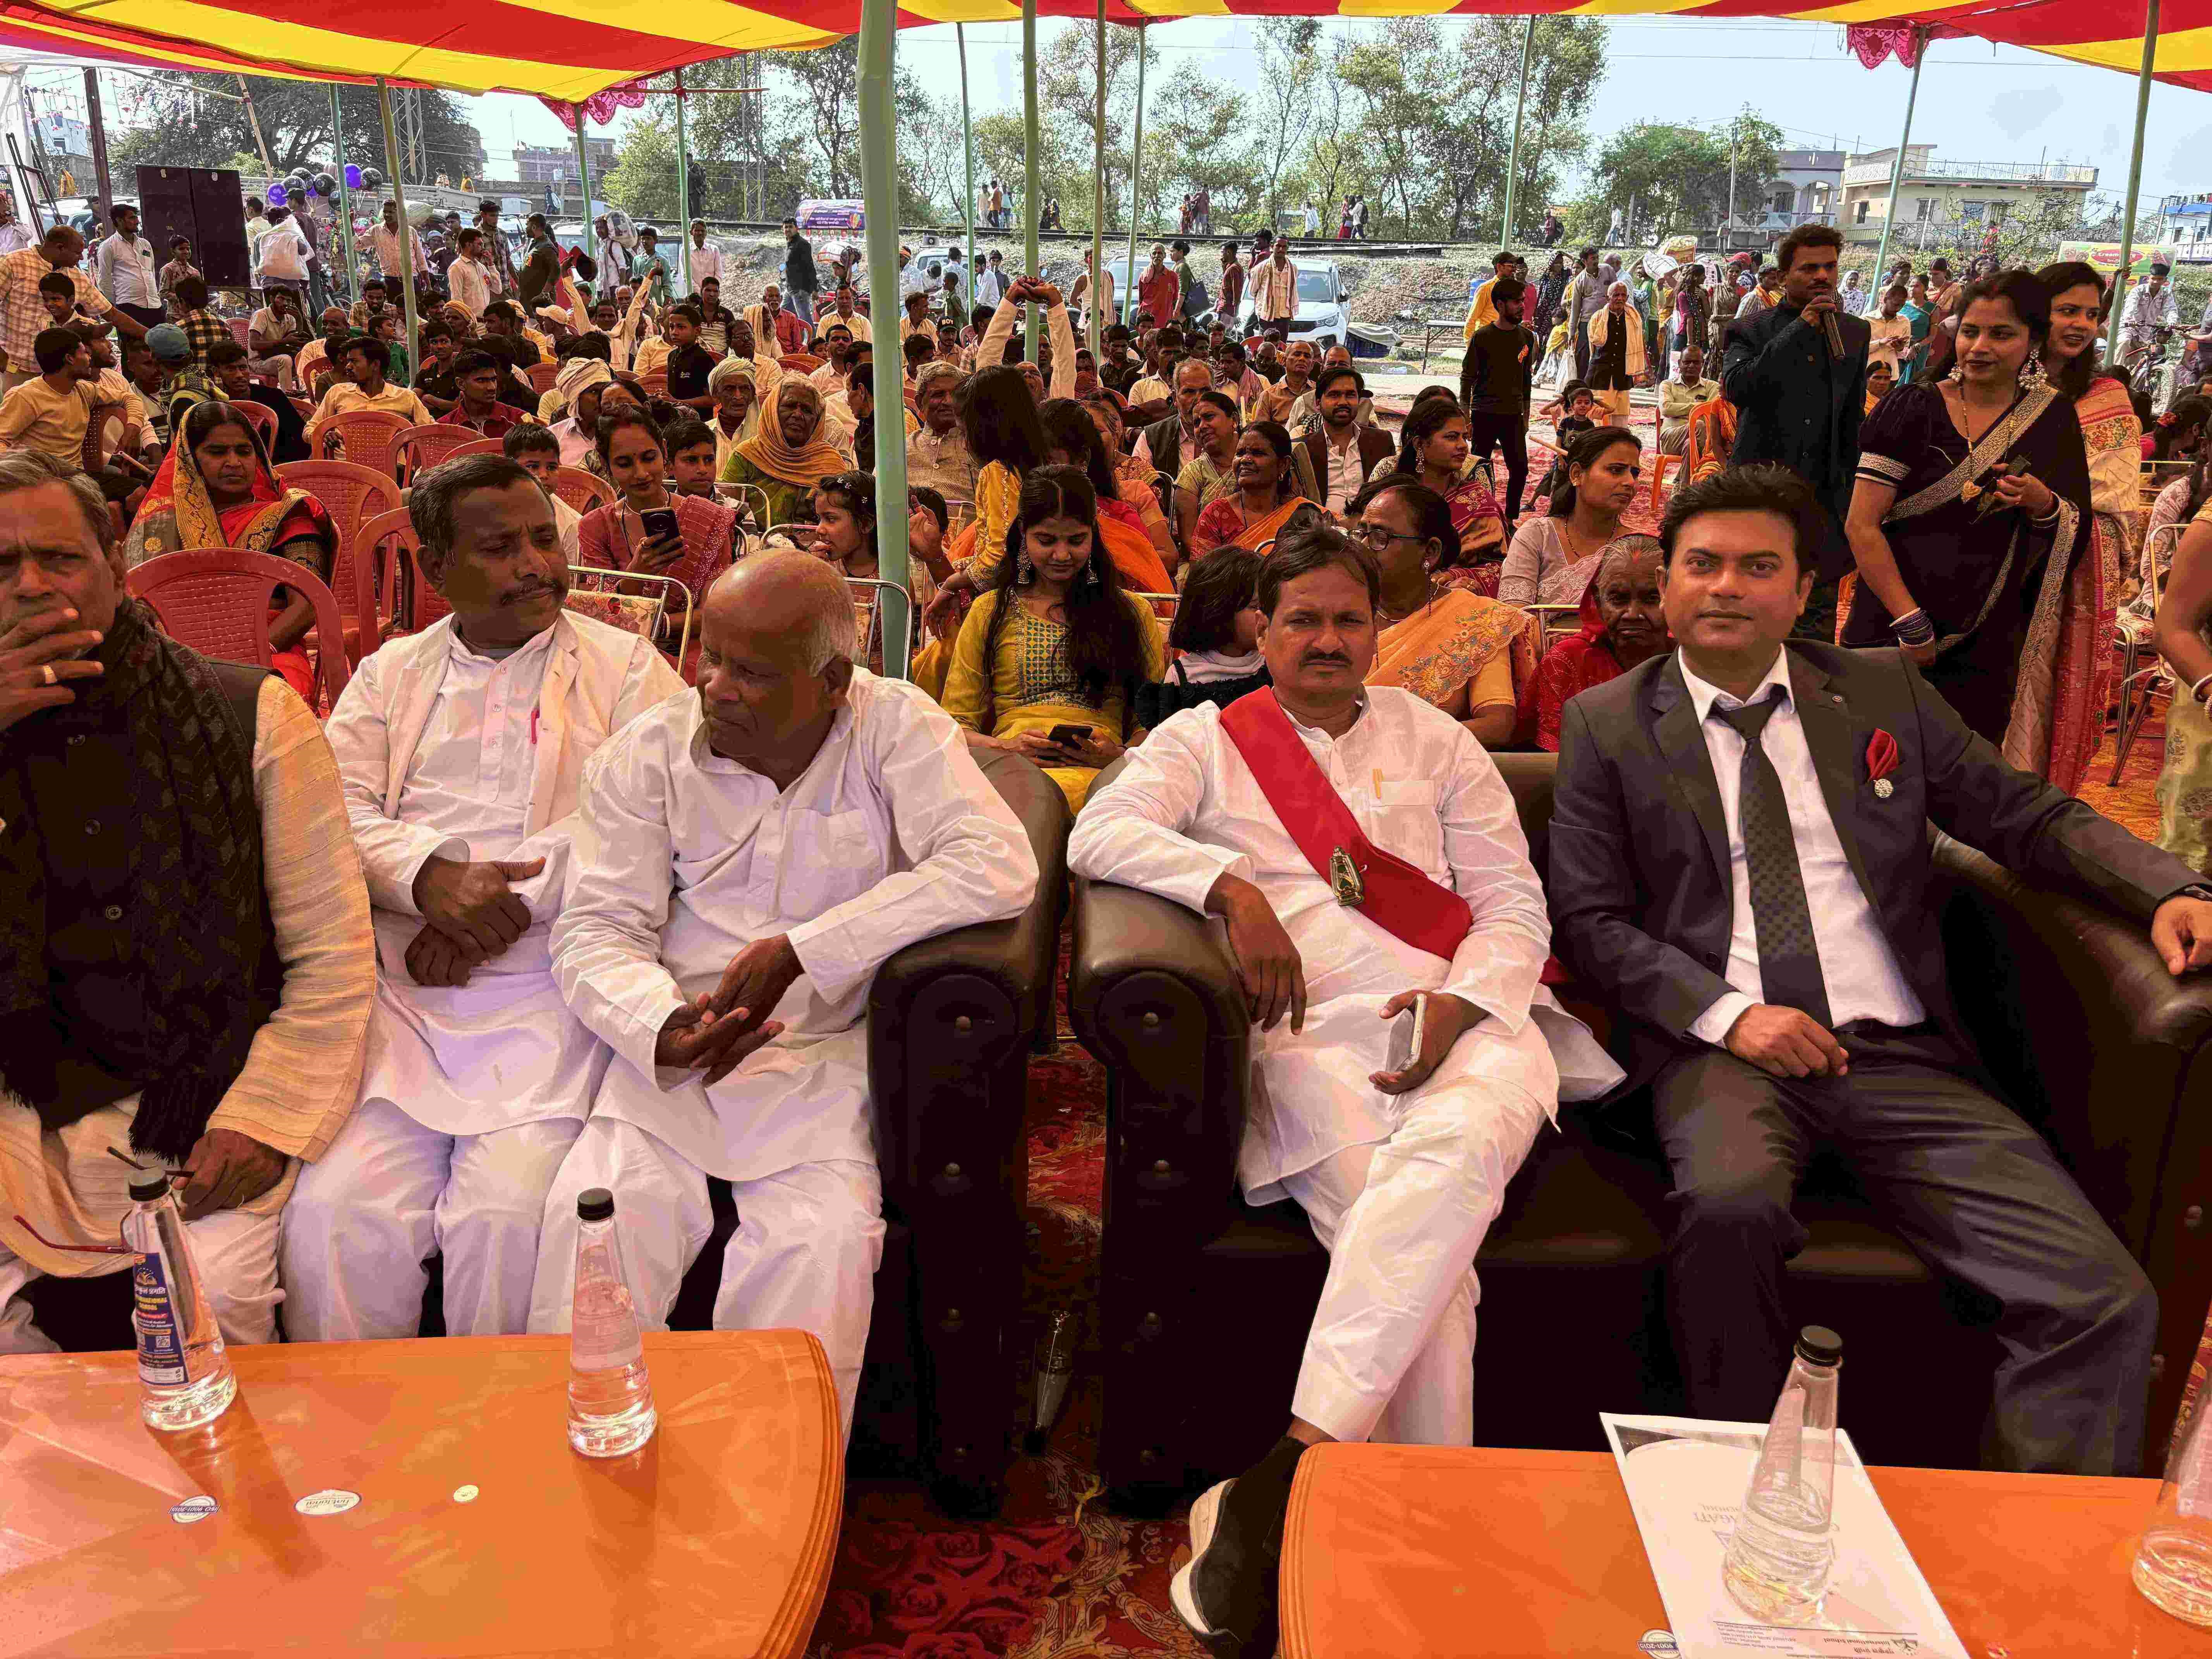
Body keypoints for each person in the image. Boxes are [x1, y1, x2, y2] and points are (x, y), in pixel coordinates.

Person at [1547, 462, 2212, 1477]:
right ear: (1667, 583)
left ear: (1805, 590)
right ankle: (1738, 1491)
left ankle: (2030, 1549)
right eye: (1703, 564)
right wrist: (1730, 1016)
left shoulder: (1877, 690)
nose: (1727, 586)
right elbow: (1591, 922)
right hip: (1726, 1054)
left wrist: (2165, 885)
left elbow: (2022, 813)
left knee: (2098, 1294)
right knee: (1729, 1208)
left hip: (1900, 1056)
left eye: (1758, 567)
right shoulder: (1608, 724)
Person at [1068, 523, 1613, 1654]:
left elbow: (1513, 902)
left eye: (1348, 620)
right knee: (1430, 1270)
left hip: (1470, 1021)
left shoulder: (1437, 739)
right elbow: (1096, 831)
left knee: (1449, 1157)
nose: (1326, 640)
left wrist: (1466, 1001)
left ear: (1378, 630)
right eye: (1302, 619)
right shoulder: (1206, 741)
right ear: (1259, 629)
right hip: (1311, 1042)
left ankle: (1286, 1485)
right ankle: (1418, 1549)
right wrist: (1229, 888)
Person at [527, 550, 1037, 1433]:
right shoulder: (647, 752)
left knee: (818, 1250)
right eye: (710, 656)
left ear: (833, 681)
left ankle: (771, 1492)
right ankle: (583, 1475)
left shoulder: (893, 727)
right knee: (593, 1233)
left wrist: (807, 950)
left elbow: (996, 861)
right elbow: (597, 926)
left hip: (823, 1058)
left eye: (751, 672)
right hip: (671, 1060)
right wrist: (659, 1024)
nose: (714, 687)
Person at [287, 455, 685, 1342]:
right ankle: (361, 1426)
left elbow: (651, 817)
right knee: (334, 1219)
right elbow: (328, 805)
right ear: (437, 569)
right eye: (501, 548)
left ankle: (497, 1425)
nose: (535, 566)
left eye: (544, 539)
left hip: (552, 990)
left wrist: (485, 915)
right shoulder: (390, 674)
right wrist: (425, 876)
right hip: (404, 996)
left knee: (504, 1218)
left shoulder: (626, 669)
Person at [0, 448, 374, 1351]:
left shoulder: (252, 716)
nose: (30, 585)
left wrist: (262, 1121)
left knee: (212, 1311)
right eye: (1, 564)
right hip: (22, 1106)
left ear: (114, 564)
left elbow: (331, 960)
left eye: (59, 558)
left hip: (208, 1101)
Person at [1843, 269, 2094, 771]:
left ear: (2034, 342)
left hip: (1987, 638)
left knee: (1964, 780)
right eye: (1970, 332)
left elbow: (2075, 525)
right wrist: (1911, 623)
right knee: (1872, 775)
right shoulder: (1913, 407)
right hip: (1891, 627)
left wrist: (2042, 502)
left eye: (2001, 335)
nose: (1979, 347)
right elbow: (1861, 525)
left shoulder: (2053, 418)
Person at [942, 465, 1166, 810]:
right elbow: (954, 726)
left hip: (1108, 779)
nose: (1062, 555)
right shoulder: (990, 610)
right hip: (1013, 773)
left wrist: (1119, 755)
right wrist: (1008, 748)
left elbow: (1153, 724)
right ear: (1024, 534)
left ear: (1093, 535)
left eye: (1076, 540)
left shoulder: (1132, 612)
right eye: (1046, 541)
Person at [123, 401, 340, 702]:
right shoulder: (163, 524)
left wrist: (242, 657)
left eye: (244, 451)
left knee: (272, 704)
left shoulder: (288, 515)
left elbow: (306, 607)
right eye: (217, 452)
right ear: (190, 460)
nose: (234, 462)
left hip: (269, 652)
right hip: (179, 654)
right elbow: (136, 608)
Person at [1720, 224, 1870, 640]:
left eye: (1829, 267)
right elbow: (1738, 388)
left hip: (1823, 499)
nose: (1822, 276)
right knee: (1750, 611)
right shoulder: (1750, 328)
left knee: (1813, 625)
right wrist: (1799, 330)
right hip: (1759, 493)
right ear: (1784, 275)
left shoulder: (1854, 332)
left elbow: (1852, 416)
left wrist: (1852, 496)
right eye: (1809, 268)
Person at [579, 408, 738, 636]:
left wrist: (653, 625)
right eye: (624, 464)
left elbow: (714, 612)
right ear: (606, 466)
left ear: (664, 452)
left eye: (649, 458)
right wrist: (638, 571)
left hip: (688, 645)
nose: (641, 474)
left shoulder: (710, 517)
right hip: (617, 645)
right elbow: (599, 613)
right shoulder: (596, 526)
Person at [1519, 533, 1666, 752]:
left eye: (1652, 598)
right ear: (1598, 600)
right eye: (1618, 599)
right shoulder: (1567, 661)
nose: (1633, 614)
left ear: (1673, 597)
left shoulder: (1693, 660)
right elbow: (1551, 760)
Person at [1499, 426, 1642, 607]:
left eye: (1635, 473)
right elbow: (1514, 613)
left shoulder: (1639, 547)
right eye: (1616, 470)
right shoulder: (1538, 536)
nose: (1630, 482)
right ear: (1577, 474)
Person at [1370, 392, 1508, 579]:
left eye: (1465, 437)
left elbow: (1499, 568)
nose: (1463, 446)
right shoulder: (1387, 495)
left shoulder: (1477, 501)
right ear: (1420, 444)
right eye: (1452, 437)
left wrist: (1455, 576)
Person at [1135, 544, 1269, 727]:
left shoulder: (1273, 665)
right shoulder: (1184, 676)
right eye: (1256, 607)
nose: (1267, 616)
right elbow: (1171, 739)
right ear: (1220, 610)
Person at [2, 226, 138, 392]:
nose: (82, 257)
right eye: (77, 253)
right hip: (18, 368)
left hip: (60, 373)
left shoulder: (76, 276)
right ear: (60, 248)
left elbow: (110, 313)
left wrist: (149, 335)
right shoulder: (13, 263)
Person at [1461, 279, 1536, 532]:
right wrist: (1465, 416)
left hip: (1513, 414)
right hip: (1484, 413)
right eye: (1516, 302)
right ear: (1500, 305)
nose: (1522, 306)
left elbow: (1526, 380)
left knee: (1520, 468)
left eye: (1523, 301)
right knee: (1479, 468)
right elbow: (1467, 378)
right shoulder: (1482, 337)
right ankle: (1480, 517)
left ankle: (1510, 519)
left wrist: (1526, 416)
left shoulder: (1527, 337)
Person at [719, 381, 847, 529]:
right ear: (772, 411)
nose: (798, 415)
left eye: (807, 410)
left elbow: (839, 523)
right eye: (790, 406)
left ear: (817, 420)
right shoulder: (747, 455)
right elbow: (726, 514)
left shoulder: (830, 463)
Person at [1193, 420, 1305, 558]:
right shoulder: (1216, 514)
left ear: (1283, 465)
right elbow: (1202, 569)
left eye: (1258, 453)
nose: (1245, 460)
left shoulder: (1301, 514)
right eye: (1240, 453)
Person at [1303, 364, 1395, 519]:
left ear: (1359, 400)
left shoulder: (1382, 442)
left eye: (1351, 395)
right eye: (1334, 395)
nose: (1343, 402)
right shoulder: (1303, 449)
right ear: (1318, 403)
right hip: (1317, 529)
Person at [304, 334, 433, 444]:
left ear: (375, 365)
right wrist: (323, 435)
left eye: (354, 362)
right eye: (348, 362)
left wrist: (412, 434)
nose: (348, 367)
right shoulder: (337, 392)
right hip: (343, 464)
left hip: (393, 465)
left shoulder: (406, 397)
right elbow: (310, 429)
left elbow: (432, 431)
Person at [0, 328, 99, 465]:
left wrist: (130, 425)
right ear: (70, 359)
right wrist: (27, 470)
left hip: (75, 474)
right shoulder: (25, 396)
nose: (90, 358)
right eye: (85, 353)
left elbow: (126, 397)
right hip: (40, 475)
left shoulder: (84, 390)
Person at [209, 339, 310, 464]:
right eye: (231, 369)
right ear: (216, 372)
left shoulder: (274, 397)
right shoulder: (214, 405)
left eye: (243, 368)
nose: (240, 375)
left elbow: (303, 438)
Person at [1581, 282, 1644, 426]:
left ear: (1627, 298)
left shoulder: (1633, 318)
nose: (1620, 299)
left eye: (1623, 295)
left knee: (1621, 417)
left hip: (1623, 374)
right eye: (1616, 295)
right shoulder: (1598, 318)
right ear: (1607, 297)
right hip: (1601, 375)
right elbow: (1593, 346)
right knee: (1600, 417)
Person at [95, 204, 163, 333]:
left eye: (136, 217)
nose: (137, 221)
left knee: (159, 343)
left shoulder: (145, 244)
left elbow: (151, 272)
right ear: (119, 221)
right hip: (128, 307)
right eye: (132, 218)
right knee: (133, 345)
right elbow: (104, 279)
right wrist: (118, 304)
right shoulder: (108, 246)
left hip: (155, 304)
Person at [437, 348, 531, 438]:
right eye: (482, 381)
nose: (492, 387)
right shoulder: (444, 428)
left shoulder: (519, 420)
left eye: (493, 380)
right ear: (461, 384)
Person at [1656, 343, 1719, 457]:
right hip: (1671, 438)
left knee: (1690, 445)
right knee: (1698, 425)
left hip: (1701, 439)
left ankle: (1689, 470)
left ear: (1703, 364)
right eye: (1687, 362)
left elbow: (1712, 413)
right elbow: (1666, 409)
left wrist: (1678, 410)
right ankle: (1704, 465)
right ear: (1680, 363)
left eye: (1696, 363)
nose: (1691, 366)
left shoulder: (1713, 387)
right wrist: (1697, 407)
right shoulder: (1668, 385)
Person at [2121, 261, 2179, 378]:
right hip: (2128, 327)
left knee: (2134, 367)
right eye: (2154, 279)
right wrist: (2129, 319)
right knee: (2124, 342)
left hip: (2145, 333)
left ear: (2165, 280)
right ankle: (2114, 373)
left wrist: (2172, 322)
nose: (2156, 282)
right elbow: (2130, 306)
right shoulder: (2138, 290)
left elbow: (2171, 309)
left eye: (2160, 279)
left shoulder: (2166, 293)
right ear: (2149, 278)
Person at [448, 227, 500, 320]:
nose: (482, 248)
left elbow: (498, 289)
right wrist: (466, 323)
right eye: (480, 244)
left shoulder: (481, 267)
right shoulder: (457, 267)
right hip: (471, 322)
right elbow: (457, 300)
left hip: (485, 321)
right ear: (469, 245)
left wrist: (491, 265)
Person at [1251, 238, 1298, 335]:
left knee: (1282, 343)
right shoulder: (1262, 267)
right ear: (1272, 247)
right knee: (1266, 342)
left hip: (1284, 314)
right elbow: (1253, 290)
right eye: (1278, 246)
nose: (1281, 249)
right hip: (1266, 313)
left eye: (1284, 247)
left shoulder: (1293, 268)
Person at [782, 218, 818, 322]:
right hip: (790, 289)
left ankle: (812, 334)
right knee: (781, 315)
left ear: (797, 229)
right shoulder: (790, 243)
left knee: (805, 320)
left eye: (791, 227)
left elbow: (810, 267)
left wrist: (815, 289)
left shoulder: (802, 244)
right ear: (783, 229)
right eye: (786, 227)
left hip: (800, 290)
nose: (788, 229)